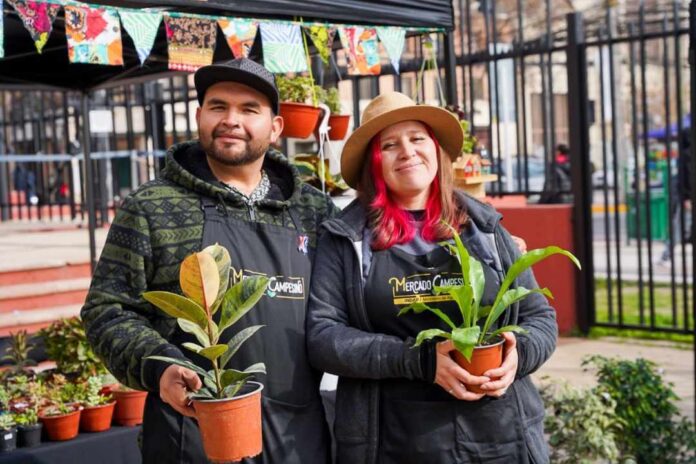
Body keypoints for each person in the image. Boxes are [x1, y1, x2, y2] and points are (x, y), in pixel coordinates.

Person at [81, 58, 335, 463]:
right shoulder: (153, 206)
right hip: (190, 432)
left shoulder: (314, 212)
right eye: (218, 106)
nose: (231, 119)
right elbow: (106, 310)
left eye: (249, 109)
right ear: (199, 116)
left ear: (276, 128)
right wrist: (160, 367)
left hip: (298, 437)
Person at [306, 92, 557, 463]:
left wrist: (517, 357)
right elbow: (324, 337)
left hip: (499, 438)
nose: (407, 151)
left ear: (436, 150)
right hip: (391, 441)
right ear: (375, 164)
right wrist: (420, 360)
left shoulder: (486, 228)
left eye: (417, 138)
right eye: (389, 145)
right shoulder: (346, 239)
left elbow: (539, 317)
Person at [659, 129, 692, 266]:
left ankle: (666, 255)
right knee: (681, 227)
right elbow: (687, 179)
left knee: (680, 227)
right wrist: (687, 197)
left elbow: (685, 179)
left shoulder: (685, 156)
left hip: (687, 198)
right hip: (688, 198)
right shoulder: (687, 156)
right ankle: (666, 256)